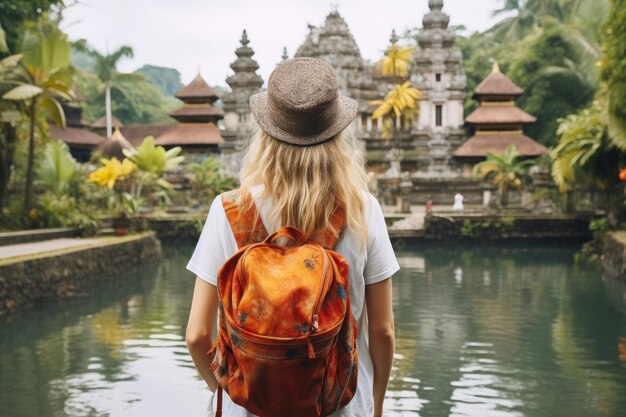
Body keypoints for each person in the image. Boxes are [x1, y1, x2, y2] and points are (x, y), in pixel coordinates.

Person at [185, 57, 399, 417]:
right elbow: (383, 331)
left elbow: (196, 337)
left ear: (266, 132)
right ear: (337, 132)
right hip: (341, 406)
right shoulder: (364, 210)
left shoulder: (228, 211)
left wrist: (230, 390)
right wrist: (375, 406)